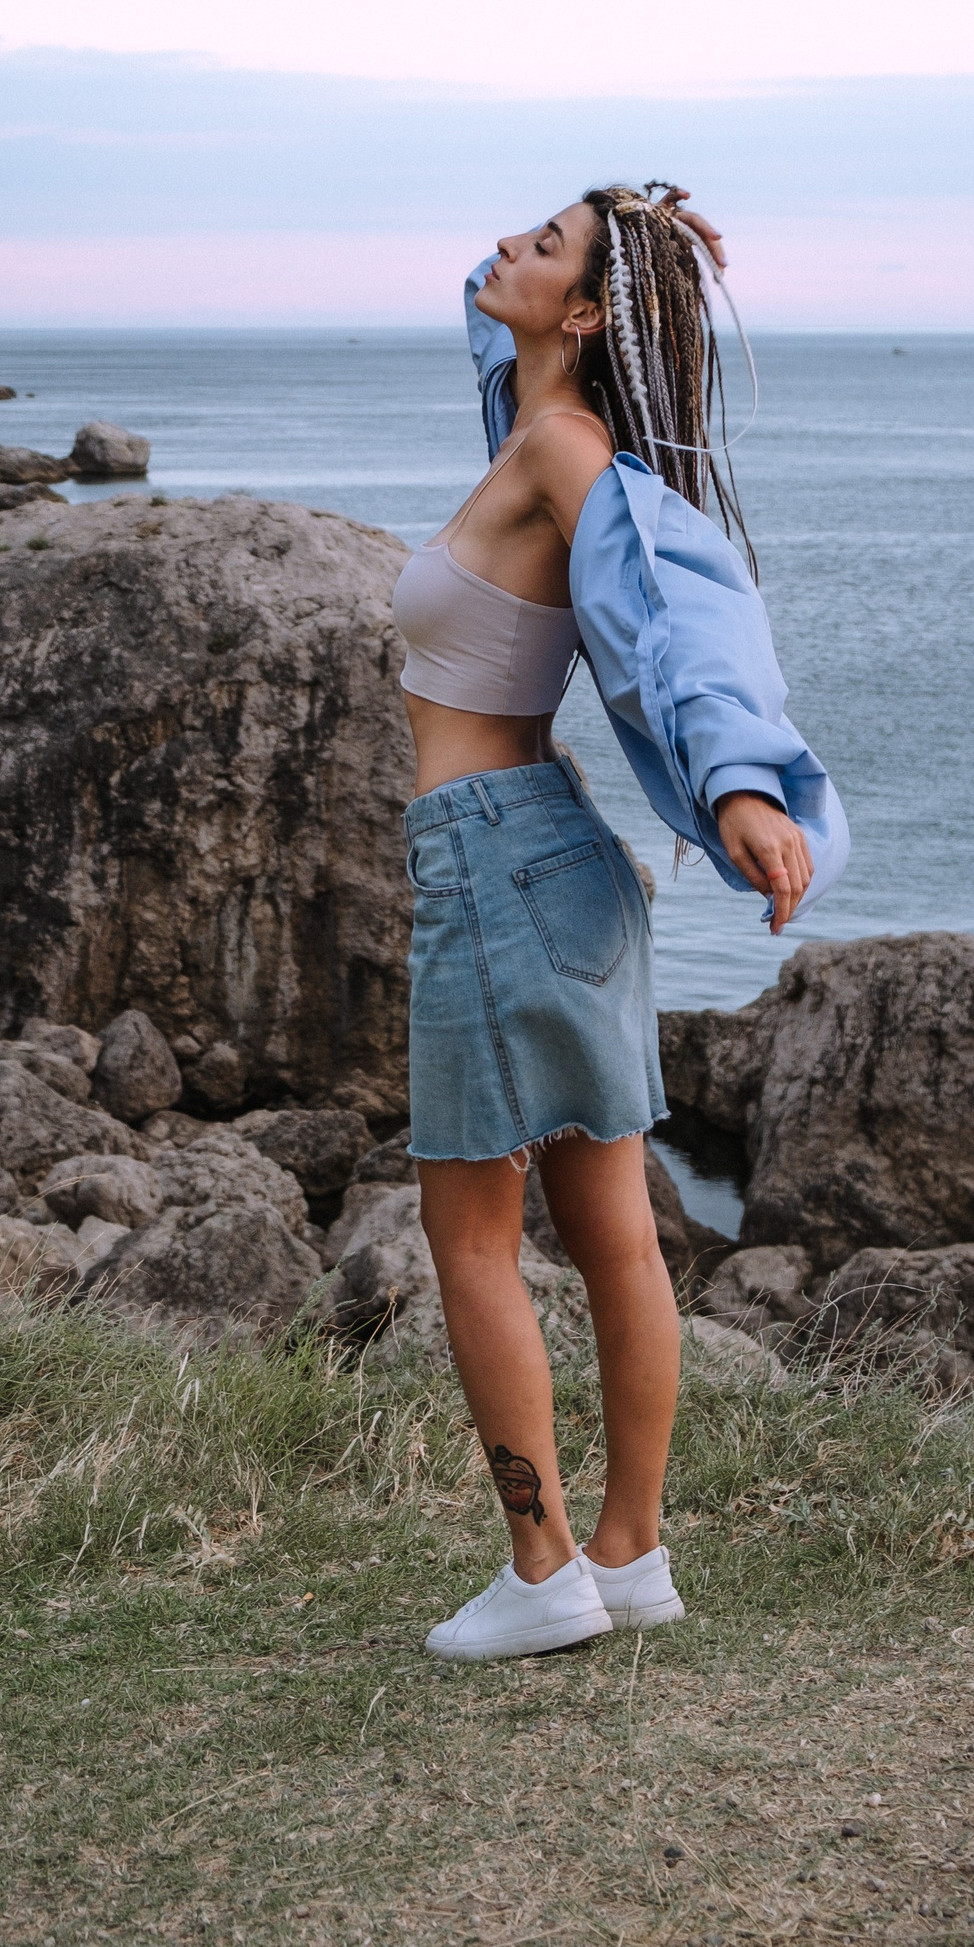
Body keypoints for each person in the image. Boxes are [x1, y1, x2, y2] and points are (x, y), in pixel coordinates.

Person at [392, 182, 849, 1662]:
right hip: (554, 855)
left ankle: (542, 1574)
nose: (501, 248)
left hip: (489, 858)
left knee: (471, 1236)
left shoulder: (562, 452)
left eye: (543, 246)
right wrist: (638, 240)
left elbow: (673, 611)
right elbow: (491, 309)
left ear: (587, 315)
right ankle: (629, 1554)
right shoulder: (530, 418)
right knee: (613, 1234)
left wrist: (737, 783)